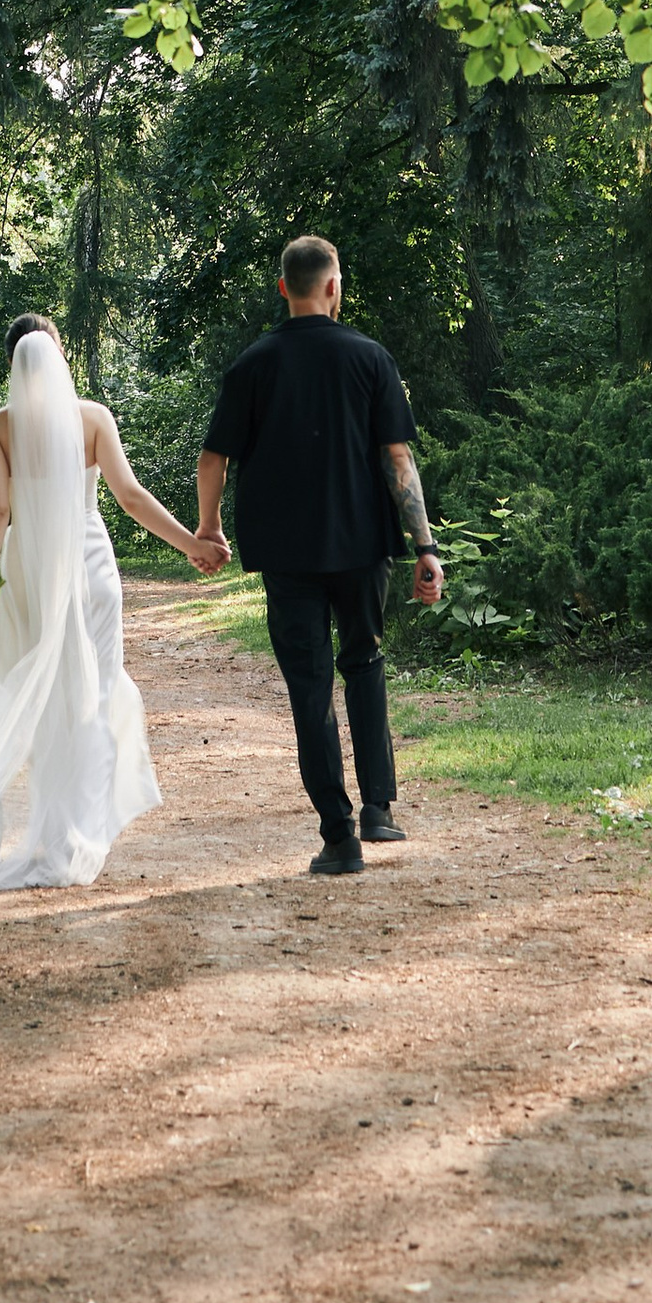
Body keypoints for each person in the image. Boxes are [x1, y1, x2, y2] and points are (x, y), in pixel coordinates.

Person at [0, 314, 214, 893]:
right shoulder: (93, 418)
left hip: (31, 574)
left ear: (13, 364)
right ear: (59, 357)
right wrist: (191, 543)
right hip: (91, 568)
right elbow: (130, 497)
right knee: (95, 694)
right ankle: (77, 836)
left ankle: (43, 835)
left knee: (39, 699)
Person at [192, 233, 446, 876]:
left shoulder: (253, 364)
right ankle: (379, 809)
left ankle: (339, 837)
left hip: (287, 553)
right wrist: (425, 546)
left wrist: (209, 528)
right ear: (333, 286)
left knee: (310, 688)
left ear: (283, 288)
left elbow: (213, 458)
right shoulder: (370, 358)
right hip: (363, 546)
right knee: (365, 663)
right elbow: (398, 460)